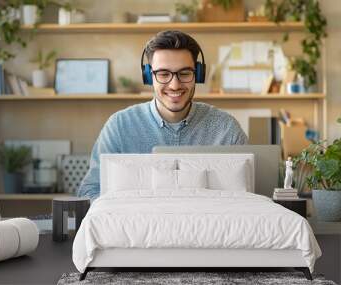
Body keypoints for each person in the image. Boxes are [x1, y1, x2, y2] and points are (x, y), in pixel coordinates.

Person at [79, 30, 248, 201]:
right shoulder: (119, 126)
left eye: (184, 73)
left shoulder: (226, 129)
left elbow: (250, 195)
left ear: (197, 74)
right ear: (148, 76)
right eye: (163, 74)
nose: (174, 85)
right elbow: (90, 192)